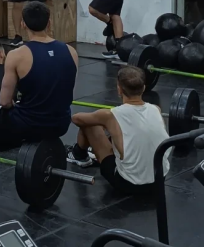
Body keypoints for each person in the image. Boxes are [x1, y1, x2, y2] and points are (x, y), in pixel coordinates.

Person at [0, 2, 78, 195]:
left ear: (22, 24)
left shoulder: (17, 55)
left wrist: (15, 105)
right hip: (61, 123)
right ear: (49, 23)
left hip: (29, 124)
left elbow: (4, 102)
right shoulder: (71, 52)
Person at [68, 66, 170, 194]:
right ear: (144, 88)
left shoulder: (110, 115)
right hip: (159, 180)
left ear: (119, 89)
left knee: (90, 124)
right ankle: (85, 153)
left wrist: (102, 122)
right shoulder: (156, 109)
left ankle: (79, 155)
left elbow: (76, 119)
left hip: (128, 184)